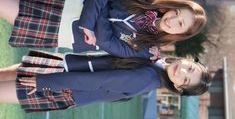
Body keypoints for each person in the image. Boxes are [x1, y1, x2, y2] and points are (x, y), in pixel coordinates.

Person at [0, 0, 206, 61]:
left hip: (67, 32)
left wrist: (101, 11)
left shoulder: (146, 48)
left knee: (11, 11)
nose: (173, 19)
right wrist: (92, 24)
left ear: (181, 34)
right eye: (177, 12)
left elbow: (108, 43)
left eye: (180, 24)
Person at [0, 52, 211, 112]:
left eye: (185, 78)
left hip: (64, 85)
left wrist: (45, 83)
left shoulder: (145, 78)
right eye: (189, 68)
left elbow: (95, 81)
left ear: (179, 88)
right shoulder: (156, 61)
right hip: (69, 67)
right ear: (188, 59)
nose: (182, 70)